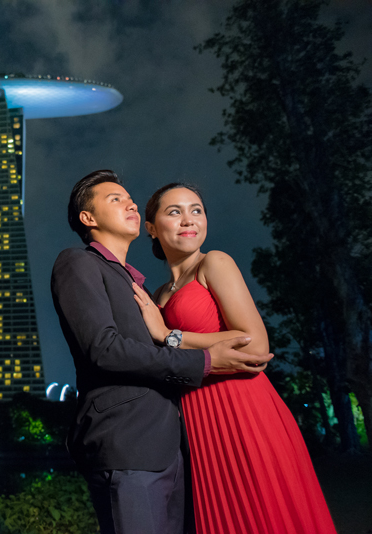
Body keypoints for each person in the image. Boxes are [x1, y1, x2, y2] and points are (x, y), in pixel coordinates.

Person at [51, 170, 272, 534]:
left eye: (130, 198)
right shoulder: (78, 262)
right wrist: (205, 361)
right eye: (115, 199)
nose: (131, 203)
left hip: (175, 447)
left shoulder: (141, 286)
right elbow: (104, 349)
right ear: (88, 218)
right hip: (127, 444)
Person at [132, 182, 336, 534]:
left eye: (196, 210)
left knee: (266, 516)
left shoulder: (215, 263)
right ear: (151, 228)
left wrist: (169, 336)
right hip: (196, 422)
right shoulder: (159, 294)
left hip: (245, 411)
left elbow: (256, 347)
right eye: (174, 212)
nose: (188, 220)